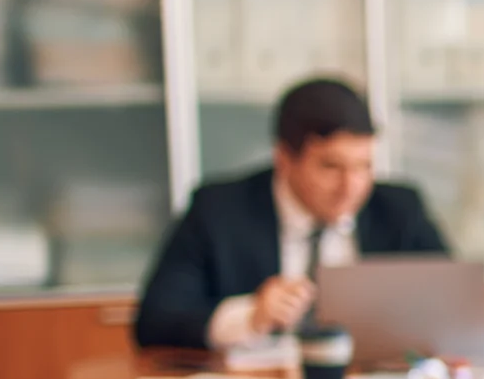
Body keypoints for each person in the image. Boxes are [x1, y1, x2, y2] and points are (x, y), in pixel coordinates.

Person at [133, 76, 449, 355]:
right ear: (284, 159)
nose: (350, 187)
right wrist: (250, 316)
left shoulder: (399, 208)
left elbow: (451, 298)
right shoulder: (218, 210)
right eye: (330, 167)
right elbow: (155, 323)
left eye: (364, 166)